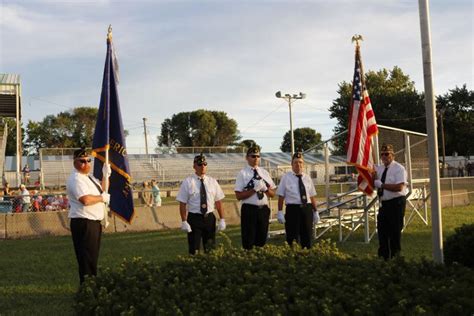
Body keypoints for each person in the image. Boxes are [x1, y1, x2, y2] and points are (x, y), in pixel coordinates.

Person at [66, 148, 111, 284]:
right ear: (75, 162)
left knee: (92, 257)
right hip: (83, 222)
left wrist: (105, 176)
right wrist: (102, 198)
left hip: (93, 222)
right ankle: (87, 289)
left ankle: (91, 286)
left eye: (88, 160)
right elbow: (85, 200)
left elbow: (103, 190)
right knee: (86, 259)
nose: (86, 163)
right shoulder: (76, 179)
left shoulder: (89, 178)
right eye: (82, 161)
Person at [176, 154, 226, 254]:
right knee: (194, 249)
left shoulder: (213, 181)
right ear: (194, 166)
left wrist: (222, 219)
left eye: (204, 164)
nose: (202, 166)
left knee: (210, 248)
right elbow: (182, 203)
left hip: (209, 218)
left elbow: (218, 201)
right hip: (194, 219)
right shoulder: (188, 182)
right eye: (199, 164)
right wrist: (184, 221)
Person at [234, 146, 276, 250]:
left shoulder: (265, 173)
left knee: (261, 239)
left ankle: (259, 260)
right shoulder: (242, 173)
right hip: (249, 209)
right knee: (248, 240)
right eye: (253, 156)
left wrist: (265, 189)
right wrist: (254, 190)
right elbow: (238, 196)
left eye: (258, 156)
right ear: (247, 158)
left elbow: (272, 194)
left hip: (263, 210)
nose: (256, 158)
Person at [276, 152, 319, 249]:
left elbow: (311, 196)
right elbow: (281, 196)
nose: (298, 164)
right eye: (295, 162)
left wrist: (316, 211)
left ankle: (307, 257)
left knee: (307, 236)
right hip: (293, 210)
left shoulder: (307, 178)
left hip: (307, 209)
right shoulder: (286, 177)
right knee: (292, 237)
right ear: (291, 164)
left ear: (303, 164)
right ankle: (292, 258)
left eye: (300, 162)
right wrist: (280, 212)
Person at [373, 144, 408, 260]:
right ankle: (383, 258)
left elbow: (399, 187)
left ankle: (395, 258)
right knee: (382, 231)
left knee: (394, 233)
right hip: (384, 204)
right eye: (382, 154)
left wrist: (382, 185)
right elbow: (371, 170)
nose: (384, 156)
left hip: (396, 203)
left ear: (393, 155)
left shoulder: (399, 169)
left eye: (387, 154)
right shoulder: (380, 168)